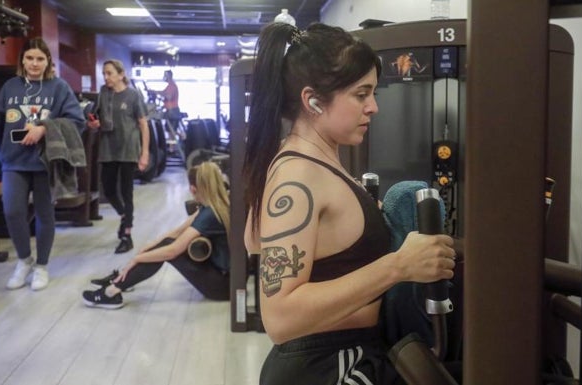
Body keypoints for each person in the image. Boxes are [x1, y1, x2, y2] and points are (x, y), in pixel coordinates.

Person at [242, 22, 456, 385]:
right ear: (312, 100)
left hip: (345, 354)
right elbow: (280, 319)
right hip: (331, 366)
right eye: (361, 94)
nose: (373, 107)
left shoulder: (300, 161)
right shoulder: (298, 178)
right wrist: (398, 266)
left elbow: (253, 239)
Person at [0, 37, 85, 291]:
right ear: (22, 59)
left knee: (44, 215)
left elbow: (77, 121)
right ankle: (24, 261)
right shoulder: (10, 87)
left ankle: (41, 266)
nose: (34, 63)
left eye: (40, 58)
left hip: (45, 162)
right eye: (30, 58)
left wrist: (44, 128)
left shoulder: (59, 87)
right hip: (12, 161)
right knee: (12, 212)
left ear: (48, 61)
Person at [82, 161, 231, 309]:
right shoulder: (215, 205)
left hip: (222, 286)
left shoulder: (209, 215)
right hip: (226, 279)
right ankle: (122, 279)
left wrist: (137, 258)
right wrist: (148, 247)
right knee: (165, 243)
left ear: (193, 189)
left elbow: (172, 251)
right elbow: (176, 232)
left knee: (167, 250)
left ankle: (111, 291)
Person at [87, 59, 150, 254]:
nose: (106, 77)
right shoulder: (103, 94)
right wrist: (93, 124)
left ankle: (127, 235)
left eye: (110, 73)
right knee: (108, 189)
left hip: (128, 149)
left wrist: (144, 152)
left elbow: (143, 124)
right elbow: (95, 117)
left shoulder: (133, 95)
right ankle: (124, 216)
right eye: (104, 73)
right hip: (108, 149)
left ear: (121, 74)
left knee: (126, 192)